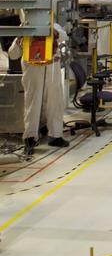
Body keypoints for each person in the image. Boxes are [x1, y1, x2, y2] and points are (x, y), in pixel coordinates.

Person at [10, 22, 69, 157]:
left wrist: (55, 33)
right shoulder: (24, 28)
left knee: (55, 103)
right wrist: (20, 40)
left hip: (51, 68)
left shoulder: (53, 25)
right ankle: (30, 137)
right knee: (33, 104)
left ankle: (56, 135)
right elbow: (13, 54)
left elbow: (64, 37)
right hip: (32, 69)